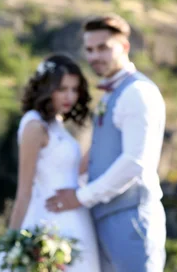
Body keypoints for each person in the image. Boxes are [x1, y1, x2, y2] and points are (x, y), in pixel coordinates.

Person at [46, 14, 166, 271]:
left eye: (103, 48)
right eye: (89, 49)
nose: (94, 56)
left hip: (130, 220)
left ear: (124, 46)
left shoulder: (137, 93)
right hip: (105, 220)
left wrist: (81, 197)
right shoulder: (111, 96)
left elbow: (135, 163)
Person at [0, 53, 101, 272]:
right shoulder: (34, 126)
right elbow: (24, 191)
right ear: (46, 88)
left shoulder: (57, 122)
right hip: (51, 223)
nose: (70, 97)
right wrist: (10, 243)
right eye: (62, 89)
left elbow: (76, 171)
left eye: (75, 90)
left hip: (76, 219)